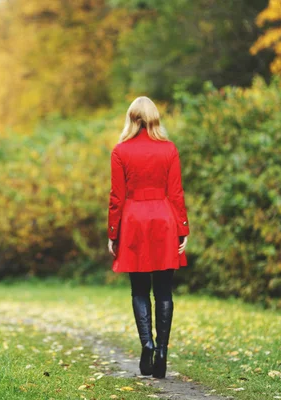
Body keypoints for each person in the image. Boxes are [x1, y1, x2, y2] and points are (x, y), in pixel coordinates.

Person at [107, 96, 189, 379]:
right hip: (164, 220)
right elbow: (176, 193)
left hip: (133, 222)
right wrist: (183, 228)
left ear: (131, 118)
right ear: (154, 118)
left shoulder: (120, 151)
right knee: (164, 290)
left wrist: (113, 233)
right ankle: (163, 350)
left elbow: (117, 197)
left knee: (139, 289)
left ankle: (148, 345)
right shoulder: (169, 150)